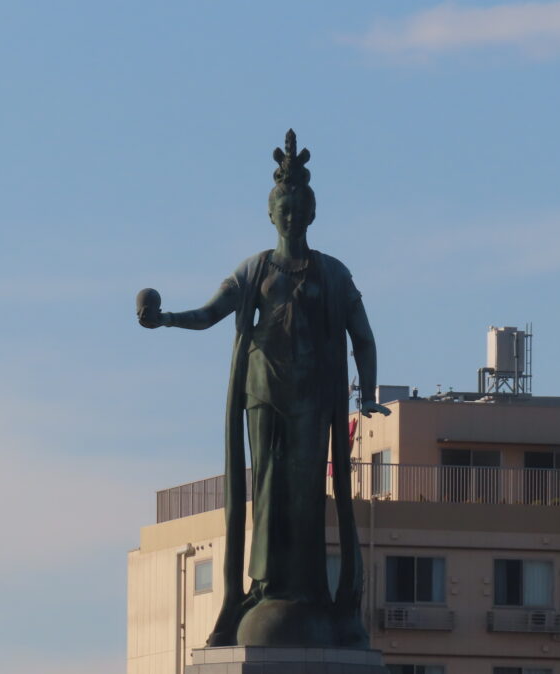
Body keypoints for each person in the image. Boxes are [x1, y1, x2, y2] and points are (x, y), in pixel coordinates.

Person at [138, 130, 389, 647]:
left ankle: (307, 593)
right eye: (284, 210)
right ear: (272, 214)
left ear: (310, 214)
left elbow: (362, 336)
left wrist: (366, 394)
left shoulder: (333, 274)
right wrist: (165, 320)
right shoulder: (256, 269)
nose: (292, 218)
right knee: (268, 489)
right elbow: (211, 313)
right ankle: (263, 588)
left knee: (305, 493)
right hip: (264, 393)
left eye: (299, 210)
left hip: (312, 398)